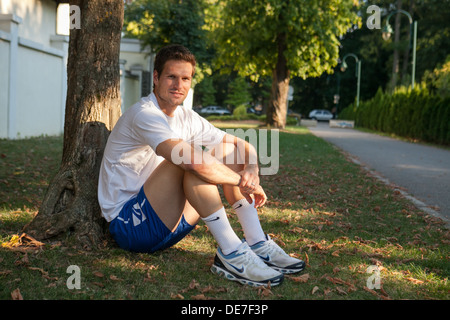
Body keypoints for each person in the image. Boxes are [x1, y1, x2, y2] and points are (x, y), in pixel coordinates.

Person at [98, 44, 305, 287]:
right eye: (171, 77)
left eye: (185, 78)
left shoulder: (186, 117)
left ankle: (257, 242)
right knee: (188, 161)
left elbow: (239, 143)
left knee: (226, 151)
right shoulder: (145, 114)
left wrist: (252, 170)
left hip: (170, 225)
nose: (178, 85)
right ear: (156, 78)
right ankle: (231, 253)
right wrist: (242, 182)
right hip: (130, 225)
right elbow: (194, 163)